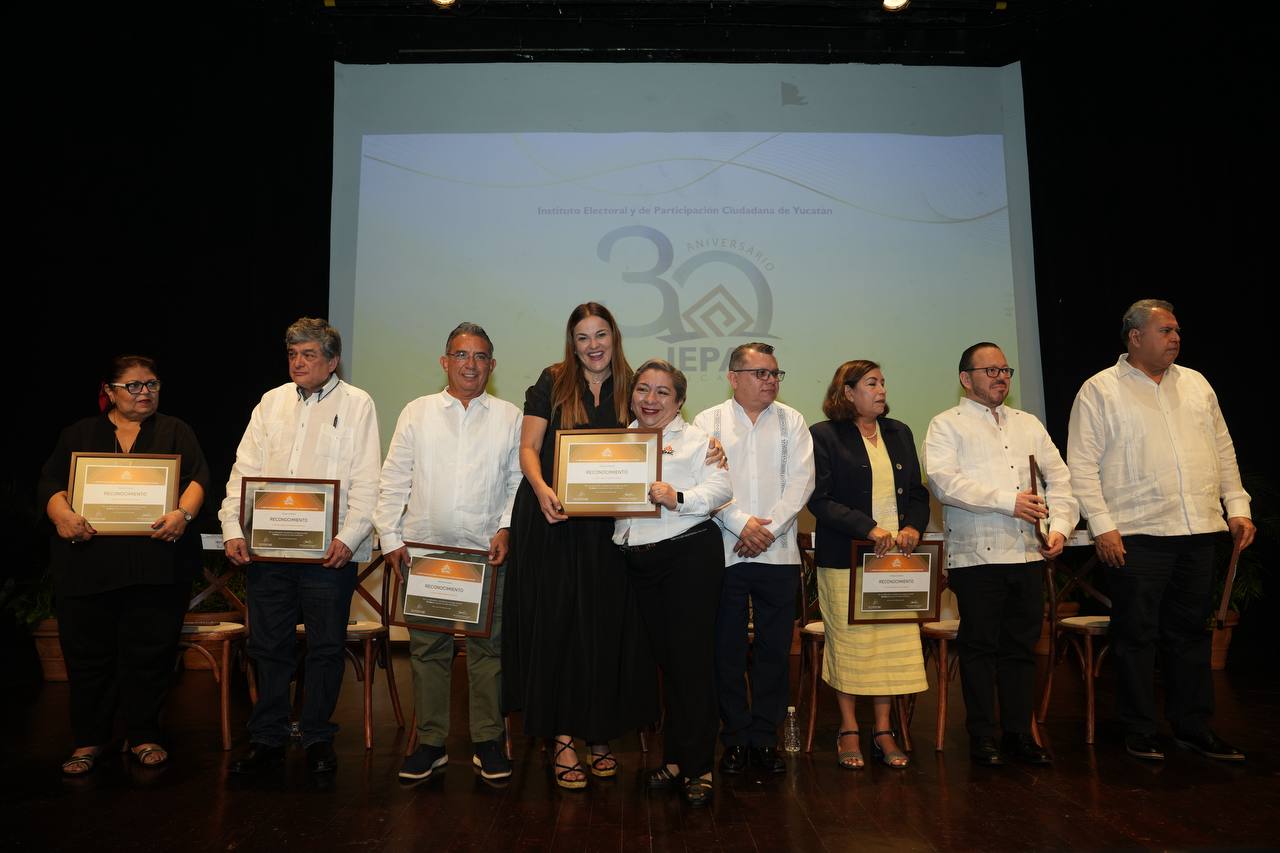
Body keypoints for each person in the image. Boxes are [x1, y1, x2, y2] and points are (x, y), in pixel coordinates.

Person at [1067, 299, 1254, 762]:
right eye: (1166, 330)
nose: (1176, 338)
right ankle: (1139, 729)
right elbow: (1082, 466)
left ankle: (1193, 727)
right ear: (1135, 337)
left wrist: (1237, 506)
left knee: (1190, 634)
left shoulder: (1196, 384)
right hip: (1136, 534)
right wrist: (1103, 526)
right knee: (1136, 636)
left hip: (1197, 529)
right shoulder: (1100, 390)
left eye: (1177, 331)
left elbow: (1223, 450)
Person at [501, 302, 657, 789]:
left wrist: (709, 445)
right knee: (558, 628)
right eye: (583, 337)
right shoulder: (551, 382)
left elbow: (663, 438)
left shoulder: (634, 385)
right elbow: (529, 448)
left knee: (605, 629)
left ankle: (600, 734)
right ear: (572, 343)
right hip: (553, 521)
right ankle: (564, 737)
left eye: (601, 335)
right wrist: (542, 489)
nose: (593, 345)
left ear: (615, 337)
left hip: (610, 530)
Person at [221, 317, 381, 776]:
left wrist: (349, 538)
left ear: (333, 361)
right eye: (293, 354)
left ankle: (317, 738)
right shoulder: (270, 402)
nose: (298, 363)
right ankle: (267, 739)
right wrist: (232, 527)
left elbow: (367, 479)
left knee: (326, 648)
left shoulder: (357, 404)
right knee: (268, 646)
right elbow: (243, 470)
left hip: (328, 554)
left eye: (309, 355)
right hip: (268, 551)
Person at [39, 355, 210, 775]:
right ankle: (89, 739)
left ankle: (144, 734)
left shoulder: (175, 430)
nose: (145, 392)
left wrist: (182, 515)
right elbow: (50, 483)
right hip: (88, 566)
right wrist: (62, 516)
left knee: (150, 654)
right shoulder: (79, 433)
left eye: (152, 384)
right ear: (110, 392)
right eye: (134, 385)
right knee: (88, 656)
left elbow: (199, 479)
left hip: (157, 566)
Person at [374, 322, 522, 783]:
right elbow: (394, 477)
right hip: (427, 554)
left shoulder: (509, 416)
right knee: (428, 651)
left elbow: (517, 481)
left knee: (488, 653)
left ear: (492, 365)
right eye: (461, 355)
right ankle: (431, 743)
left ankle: (488, 742)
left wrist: (506, 527)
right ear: (444, 361)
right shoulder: (416, 412)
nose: (470, 365)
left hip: (485, 555)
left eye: (479, 357)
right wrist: (391, 538)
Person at [923, 342, 1077, 766]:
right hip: (977, 558)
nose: (1001, 378)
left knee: (1021, 649)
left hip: (1028, 553)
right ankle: (982, 737)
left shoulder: (1028, 423)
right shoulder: (946, 425)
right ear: (965, 378)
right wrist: (1009, 502)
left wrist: (1060, 527)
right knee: (979, 649)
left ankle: (1018, 735)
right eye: (990, 371)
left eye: (1005, 370)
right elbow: (944, 483)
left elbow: (1061, 480)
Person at [693, 342, 815, 776]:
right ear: (733, 378)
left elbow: (802, 482)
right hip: (724, 552)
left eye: (775, 373)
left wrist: (768, 530)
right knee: (725, 650)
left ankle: (765, 738)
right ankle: (735, 738)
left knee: (774, 651)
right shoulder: (706, 422)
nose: (770, 381)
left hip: (777, 553)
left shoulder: (792, 420)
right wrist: (742, 524)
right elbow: (703, 482)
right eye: (760, 373)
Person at [614, 360, 732, 806]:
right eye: (642, 389)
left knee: (691, 665)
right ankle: (677, 760)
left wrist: (678, 497)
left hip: (687, 556)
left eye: (662, 392)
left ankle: (699, 766)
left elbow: (722, 490)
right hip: (637, 561)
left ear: (680, 401)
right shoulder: (615, 442)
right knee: (667, 665)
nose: (650, 400)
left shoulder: (699, 442)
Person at [807, 360, 929, 769]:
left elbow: (917, 493)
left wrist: (912, 527)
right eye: (872, 383)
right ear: (848, 392)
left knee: (891, 647)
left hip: (895, 561)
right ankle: (848, 729)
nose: (882, 390)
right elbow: (819, 499)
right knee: (851, 646)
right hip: (846, 558)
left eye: (883, 383)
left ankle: (883, 730)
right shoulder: (824, 435)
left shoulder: (899, 432)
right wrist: (868, 528)